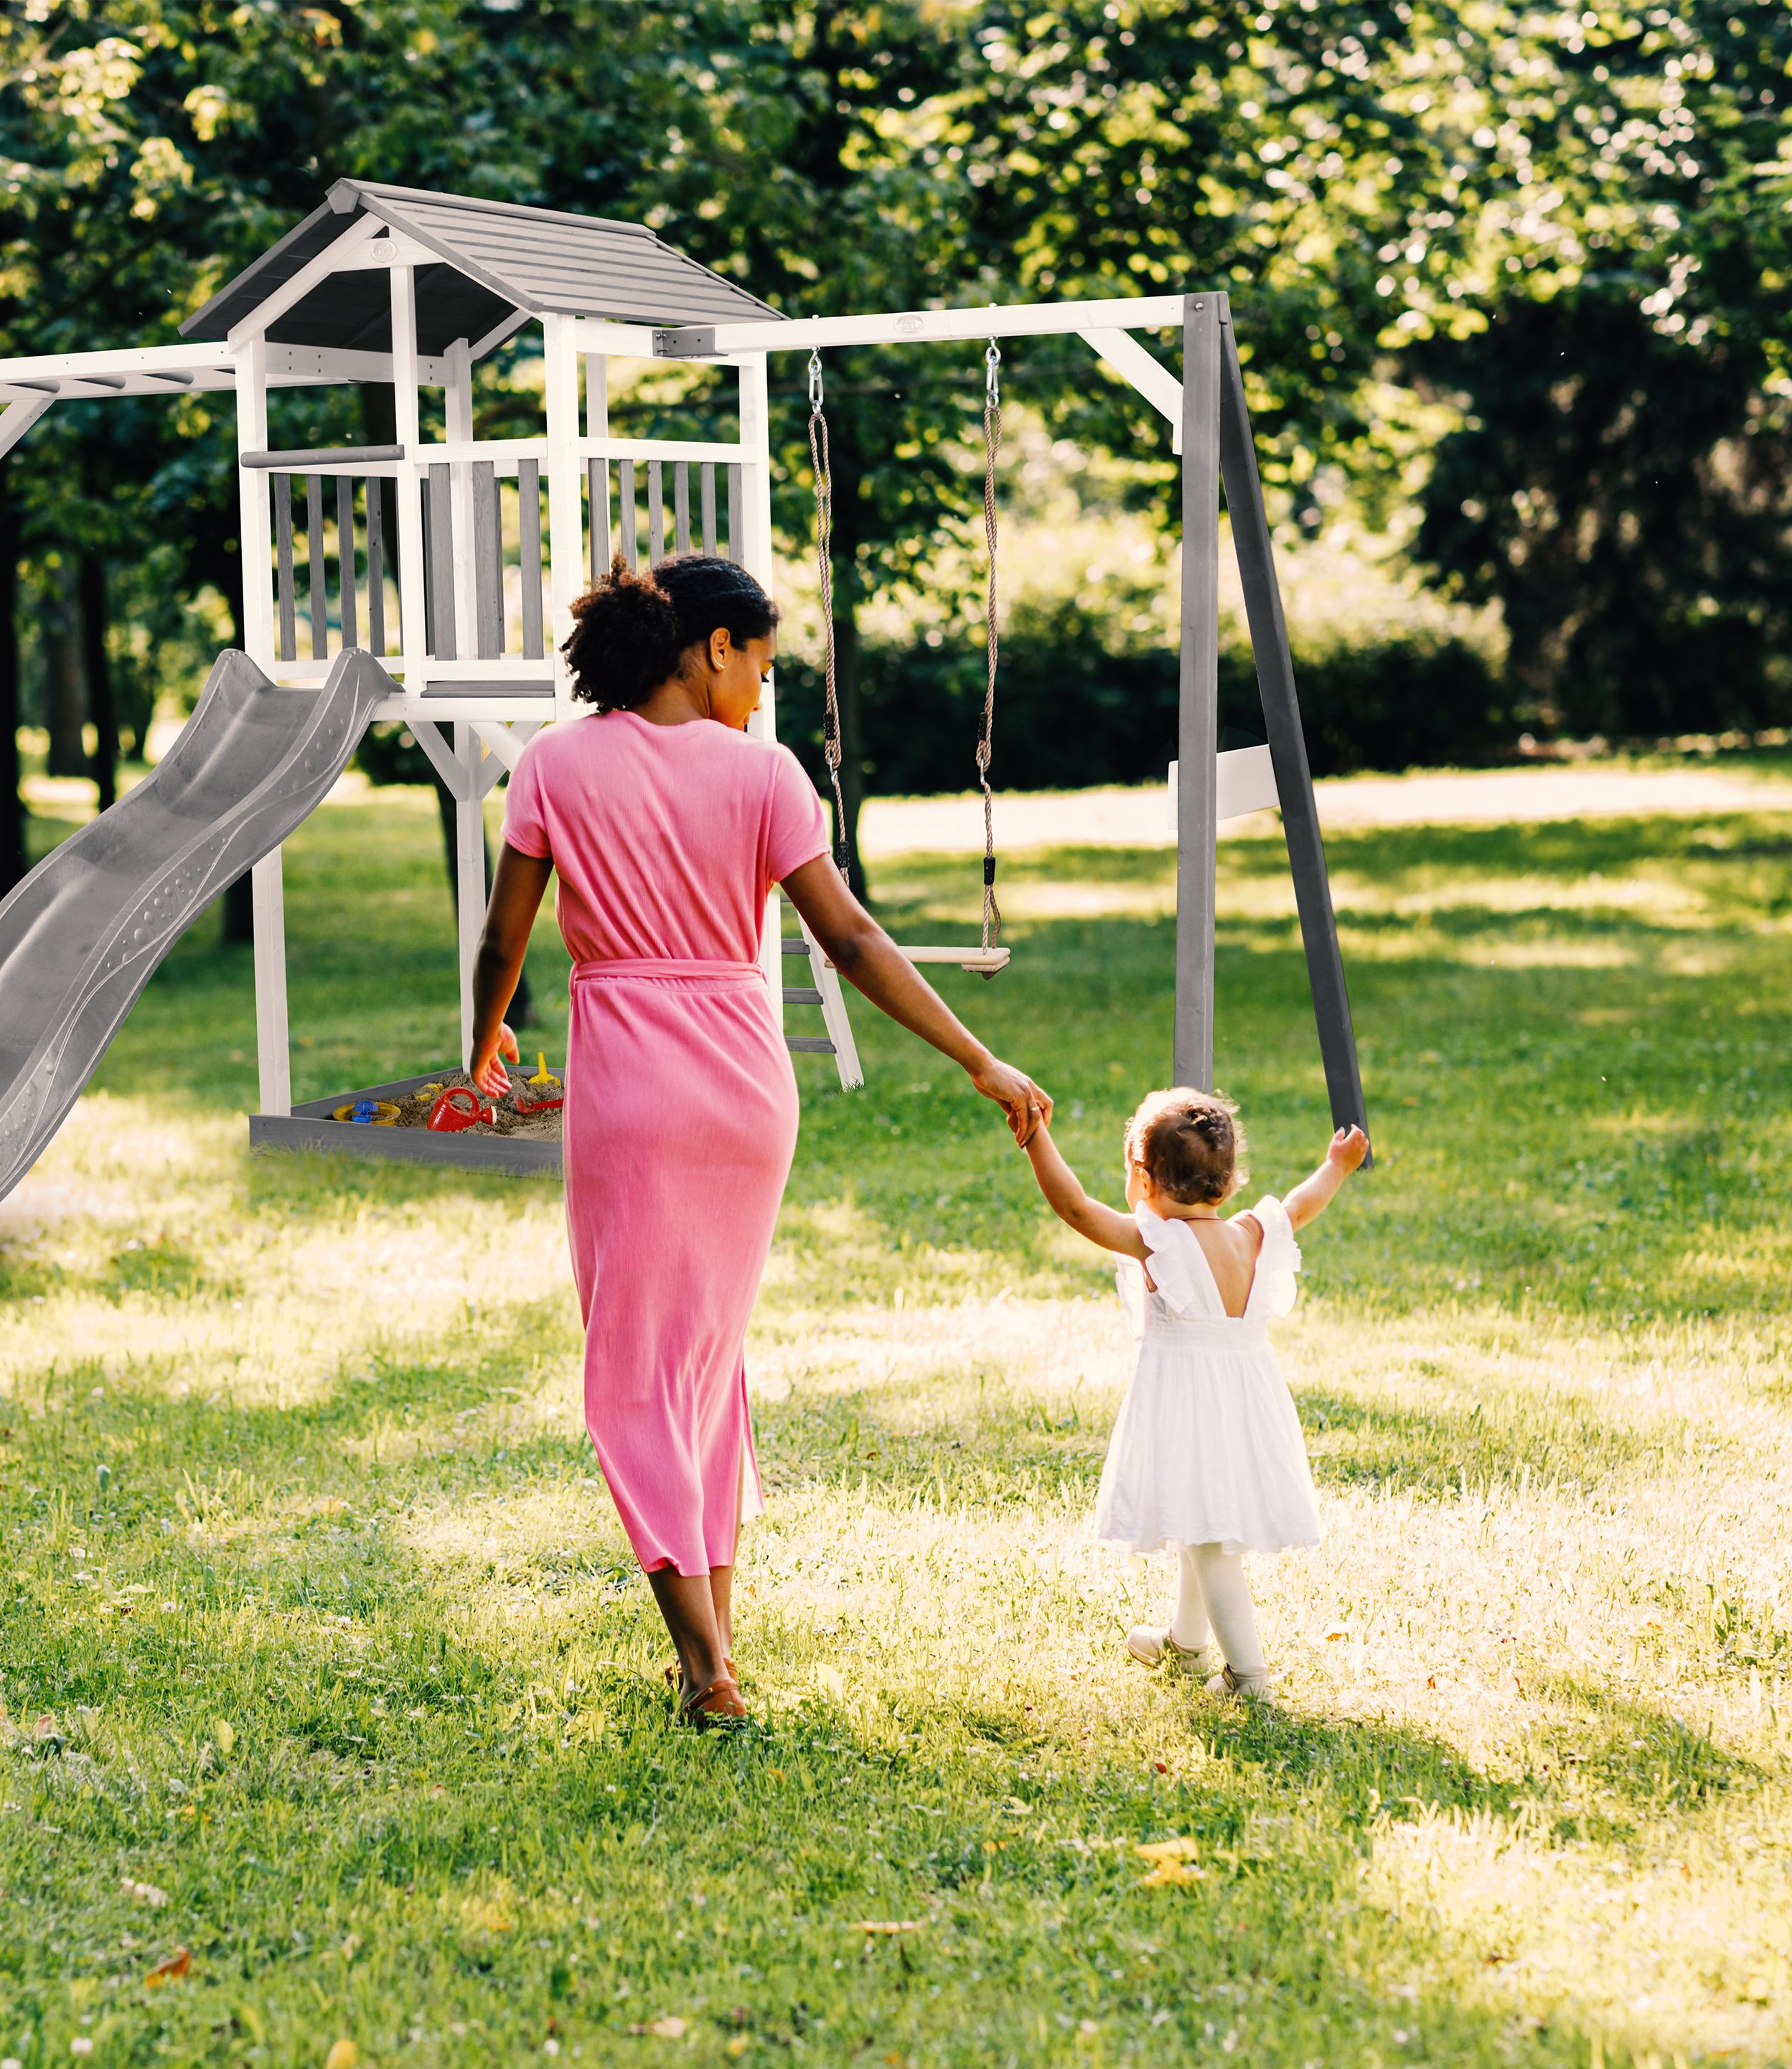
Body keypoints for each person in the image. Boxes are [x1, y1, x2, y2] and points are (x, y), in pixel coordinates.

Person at [466, 554, 1052, 1728]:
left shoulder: (553, 766)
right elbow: (854, 940)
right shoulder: (766, 775)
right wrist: (976, 1056)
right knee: (703, 1363)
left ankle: (705, 1670)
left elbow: (503, 940)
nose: (762, 691)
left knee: (635, 1375)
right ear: (714, 647)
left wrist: (480, 1045)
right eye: (763, 667)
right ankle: (716, 1647)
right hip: (745, 1090)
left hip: (632, 1090)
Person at [1018, 1088, 1369, 1702]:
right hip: (1247, 1406)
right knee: (1198, 1518)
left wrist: (1035, 1136)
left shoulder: (1159, 1242)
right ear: (1227, 1182)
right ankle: (1185, 1644)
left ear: (1144, 1178)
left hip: (1190, 1408)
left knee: (1209, 1542)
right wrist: (1335, 1166)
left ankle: (1248, 1677)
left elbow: (1075, 1207)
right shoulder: (1252, 1233)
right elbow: (1300, 1203)